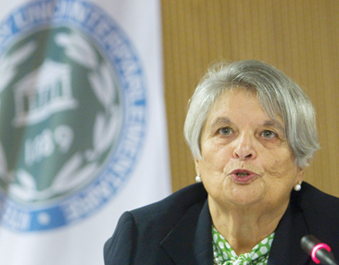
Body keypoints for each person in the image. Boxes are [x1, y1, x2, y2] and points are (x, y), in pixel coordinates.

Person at [103, 60, 339, 265]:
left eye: (267, 134)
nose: (243, 150)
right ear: (198, 157)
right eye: (225, 131)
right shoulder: (141, 239)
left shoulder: (332, 233)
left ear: (300, 164)